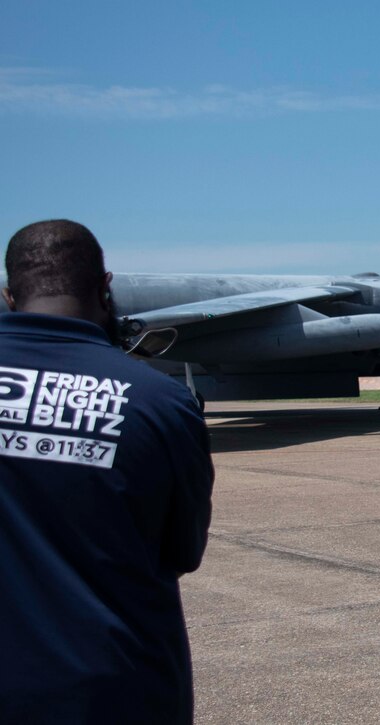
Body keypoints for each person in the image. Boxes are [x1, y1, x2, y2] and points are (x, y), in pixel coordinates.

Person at [0, 220, 215, 723]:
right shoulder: (158, 401)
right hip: (113, 688)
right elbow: (183, 550)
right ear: (105, 287)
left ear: (9, 296)